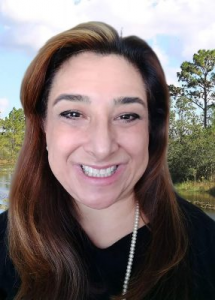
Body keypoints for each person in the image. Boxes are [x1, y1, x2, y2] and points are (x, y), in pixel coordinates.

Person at [0, 21, 214, 300]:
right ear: (43, 125)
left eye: (127, 116)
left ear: (151, 129)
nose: (102, 148)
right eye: (73, 114)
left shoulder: (206, 249)